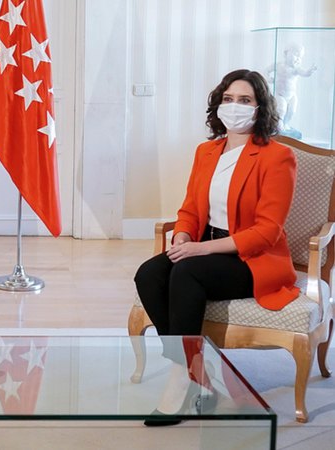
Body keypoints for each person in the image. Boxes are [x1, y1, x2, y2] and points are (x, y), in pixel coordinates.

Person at [134, 69, 300, 426]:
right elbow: (191, 209)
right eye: (228, 99)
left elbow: (267, 232)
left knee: (188, 271)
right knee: (149, 274)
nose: (234, 106)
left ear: (260, 108)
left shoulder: (277, 156)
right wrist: (182, 237)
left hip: (252, 257)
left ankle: (182, 381)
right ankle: (200, 372)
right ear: (217, 104)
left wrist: (200, 251)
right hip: (205, 244)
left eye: (245, 100)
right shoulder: (207, 151)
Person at [266, 43, 317, 138]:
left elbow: (304, 73)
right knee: (281, 109)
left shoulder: (296, 69)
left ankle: (286, 124)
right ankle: (279, 125)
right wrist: (268, 78)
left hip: (292, 95)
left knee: (292, 111)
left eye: (300, 57)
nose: (298, 59)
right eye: (296, 55)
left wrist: (310, 71)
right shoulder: (278, 65)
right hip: (280, 94)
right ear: (286, 53)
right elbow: (266, 70)